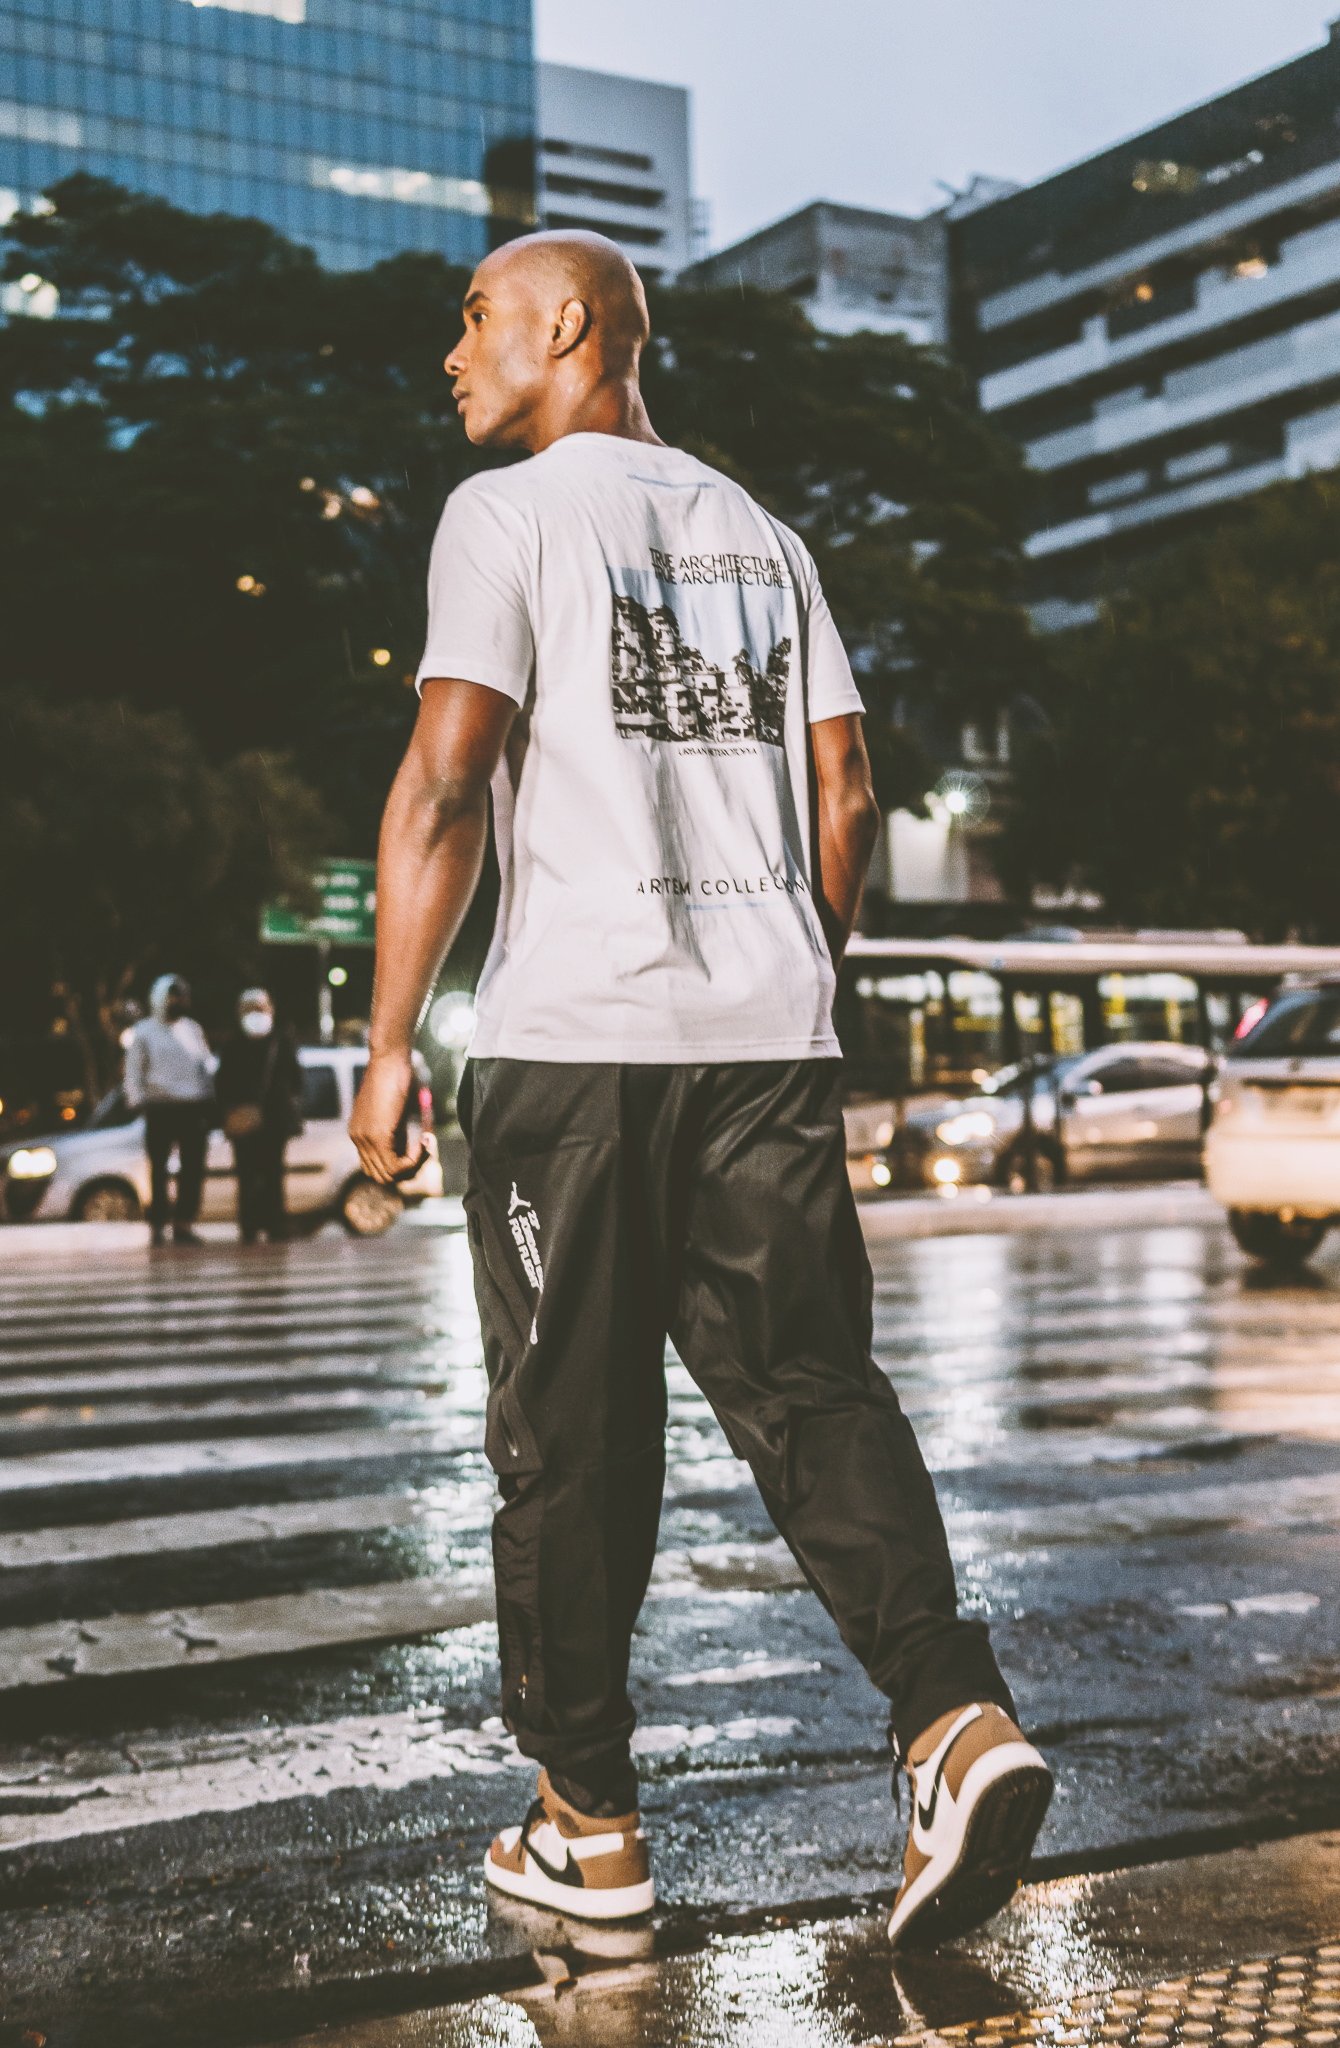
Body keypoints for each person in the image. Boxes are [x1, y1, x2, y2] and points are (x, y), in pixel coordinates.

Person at [349, 230, 1052, 1949]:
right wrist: (794, 965)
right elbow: (847, 794)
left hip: (576, 1050)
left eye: (476, 318)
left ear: (568, 326)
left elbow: (446, 781)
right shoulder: (769, 538)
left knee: (572, 1432)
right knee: (814, 1391)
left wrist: (386, 1040)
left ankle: (587, 1828)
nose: (453, 354)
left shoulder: (506, 517)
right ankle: (956, 1720)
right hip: (767, 1042)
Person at [123, 973, 213, 1248]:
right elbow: (133, 1071)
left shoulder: (192, 1029)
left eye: (181, 997)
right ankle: (158, 1223)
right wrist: (136, 1100)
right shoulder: (144, 1032)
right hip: (160, 1107)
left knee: (193, 1168)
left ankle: (184, 1223)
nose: (178, 1002)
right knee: (159, 1170)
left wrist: (210, 1098)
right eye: (173, 997)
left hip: (192, 1108)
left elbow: (205, 1065)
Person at [214, 988, 303, 1244]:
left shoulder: (279, 1041)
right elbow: (223, 1084)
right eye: (250, 1009)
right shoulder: (237, 1044)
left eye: (259, 1008)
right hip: (249, 1120)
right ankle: (259, 1224)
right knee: (254, 1175)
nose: (255, 1014)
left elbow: (294, 1080)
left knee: (266, 1174)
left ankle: (264, 1224)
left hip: (269, 1120)